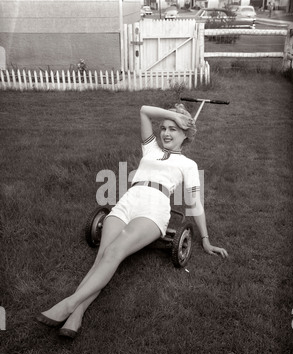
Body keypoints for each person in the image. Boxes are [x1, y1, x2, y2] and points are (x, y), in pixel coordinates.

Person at [36, 104, 228, 339]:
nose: (166, 133)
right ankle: (77, 313)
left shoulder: (188, 165)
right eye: (164, 128)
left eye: (174, 130)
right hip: (128, 201)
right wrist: (173, 115)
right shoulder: (150, 149)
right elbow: (144, 111)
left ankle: (69, 303)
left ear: (186, 135)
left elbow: (195, 204)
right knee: (102, 257)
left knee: (115, 251)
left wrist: (206, 241)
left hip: (153, 208)